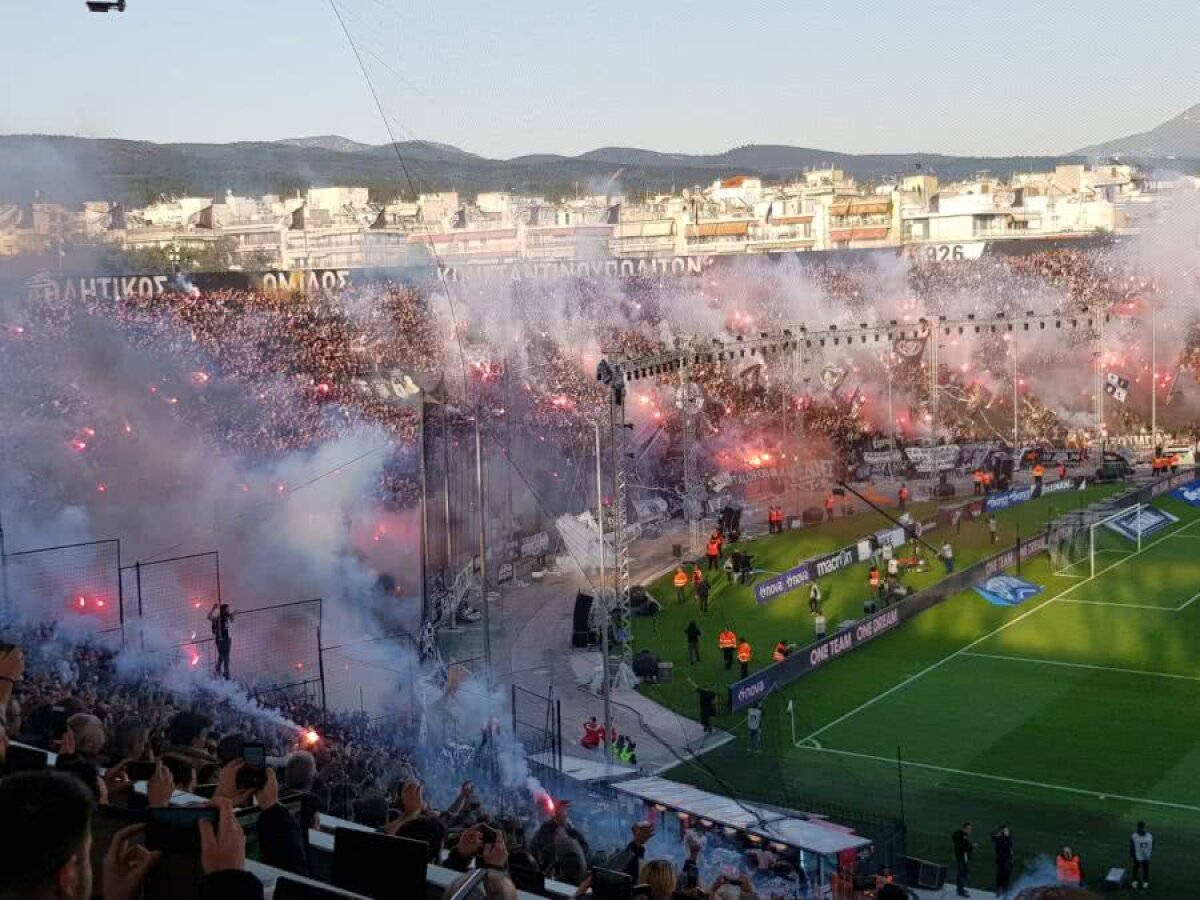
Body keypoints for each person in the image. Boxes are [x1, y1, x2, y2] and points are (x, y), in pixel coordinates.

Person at [208, 602, 234, 680]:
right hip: (220, 639)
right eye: (226, 609)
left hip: (227, 639)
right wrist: (213, 608)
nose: (228, 610)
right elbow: (209, 617)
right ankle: (219, 671)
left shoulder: (227, 616)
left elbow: (232, 620)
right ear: (223, 610)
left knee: (226, 657)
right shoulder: (217, 617)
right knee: (222, 656)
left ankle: (225, 673)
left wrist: (232, 614)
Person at [952, 822, 975, 897]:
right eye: (968, 829)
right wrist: (972, 846)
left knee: (963, 873)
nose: (970, 831)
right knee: (961, 874)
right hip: (962, 857)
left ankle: (961, 888)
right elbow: (963, 847)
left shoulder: (962, 835)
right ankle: (960, 890)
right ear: (963, 828)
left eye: (970, 829)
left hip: (964, 857)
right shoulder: (960, 836)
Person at [1130, 821, 1153, 890]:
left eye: (1142, 828)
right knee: (1136, 868)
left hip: (1145, 855)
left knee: (1145, 868)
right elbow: (1132, 846)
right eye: (1141, 828)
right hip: (1138, 855)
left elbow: (1152, 845)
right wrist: (1133, 854)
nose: (1142, 829)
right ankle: (1135, 881)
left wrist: (1149, 853)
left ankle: (1145, 881)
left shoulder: (1149, 835)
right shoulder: (1134, 836)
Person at [992, 825, 1013, 896]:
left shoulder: (1007, 838)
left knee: (1007, 874)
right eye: (1006, 830)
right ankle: (999, 889)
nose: (1008, 832)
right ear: (1002, 831)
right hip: (1001, 859)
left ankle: (1005, 888)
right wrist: (1000, 835)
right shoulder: (1000, 839)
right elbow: (993, 836)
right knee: (1000, 874)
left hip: (1007, 859)